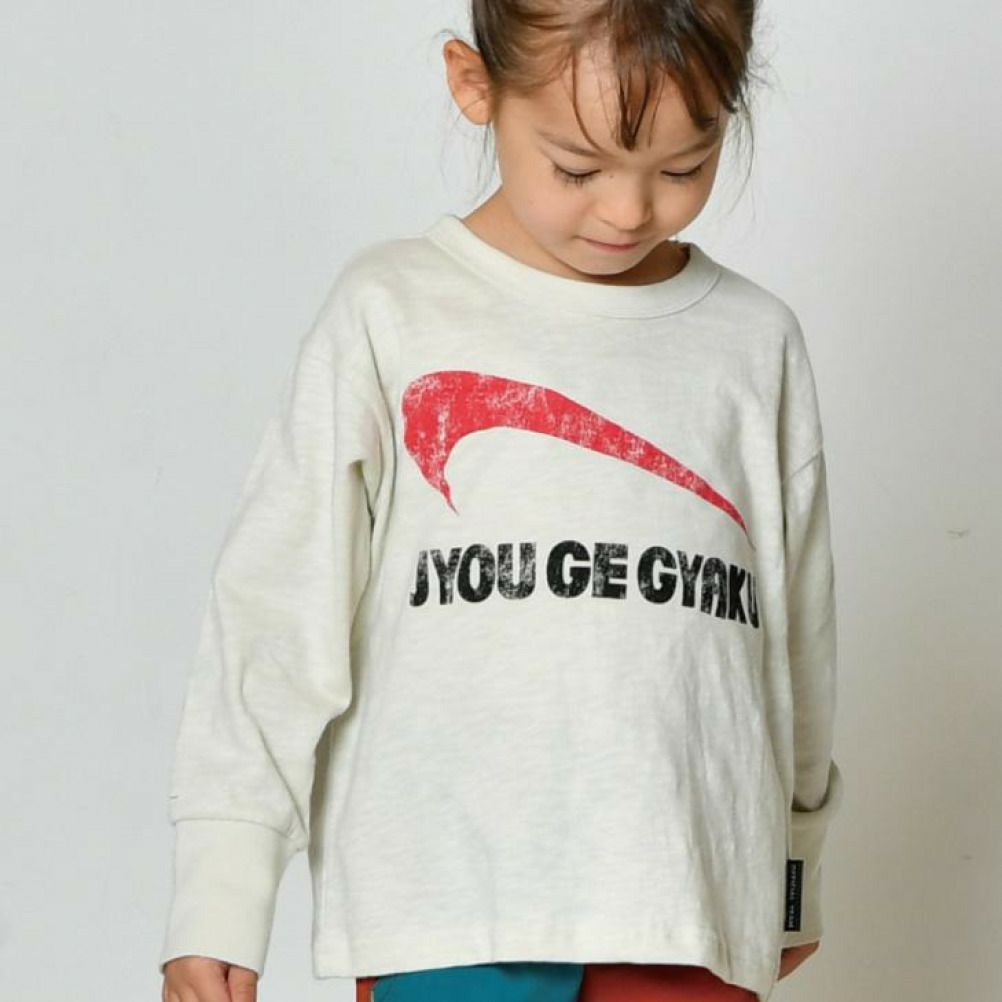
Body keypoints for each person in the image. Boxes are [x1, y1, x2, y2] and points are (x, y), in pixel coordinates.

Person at [159, 2, 844, 1001]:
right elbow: (274, 613)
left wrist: (793, 876)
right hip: (447, 912)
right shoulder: (392, 312)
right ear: (474, 85)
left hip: (685, 909)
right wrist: (221, 886)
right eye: (577, 167)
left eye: (683, 168)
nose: (627, 210)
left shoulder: (754, 342)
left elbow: (799, 635)